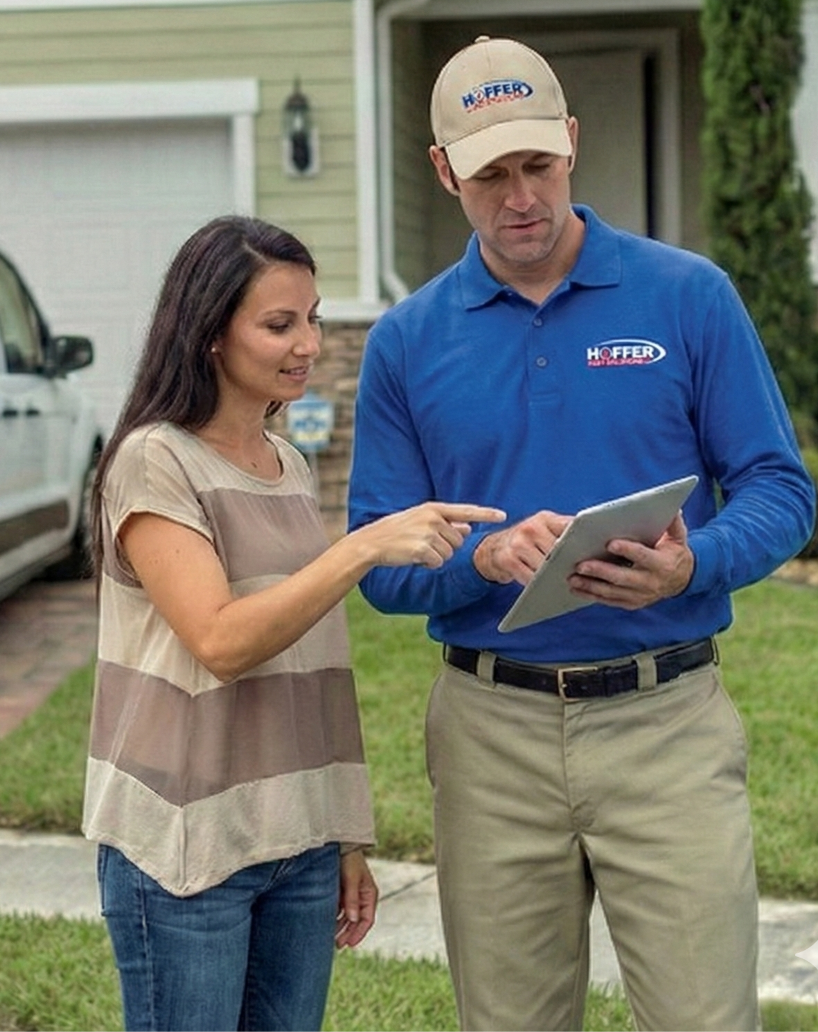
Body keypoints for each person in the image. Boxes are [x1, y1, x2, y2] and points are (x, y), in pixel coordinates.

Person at [348, 35, 817, 1032]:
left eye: (537, 165)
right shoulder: (405, 341)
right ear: (443, 173)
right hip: (489, 738)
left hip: (668, 724)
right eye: (489, 175)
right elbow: (378, 565)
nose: (520, 196)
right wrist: (478, 559)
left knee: (705, 1018)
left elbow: (779, 488)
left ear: (570, 142)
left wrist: (695, 563)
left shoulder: (686, 297)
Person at [82, 214, 503, 1032]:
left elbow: (315, 664)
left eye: (311, 317)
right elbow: (222, 640)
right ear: (210, 335)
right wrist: (362, 549)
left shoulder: (289, 465)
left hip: (298, 845)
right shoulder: (153, 461)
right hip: (187, 850)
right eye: (280, 324)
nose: (307, 341)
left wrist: (342, 836)